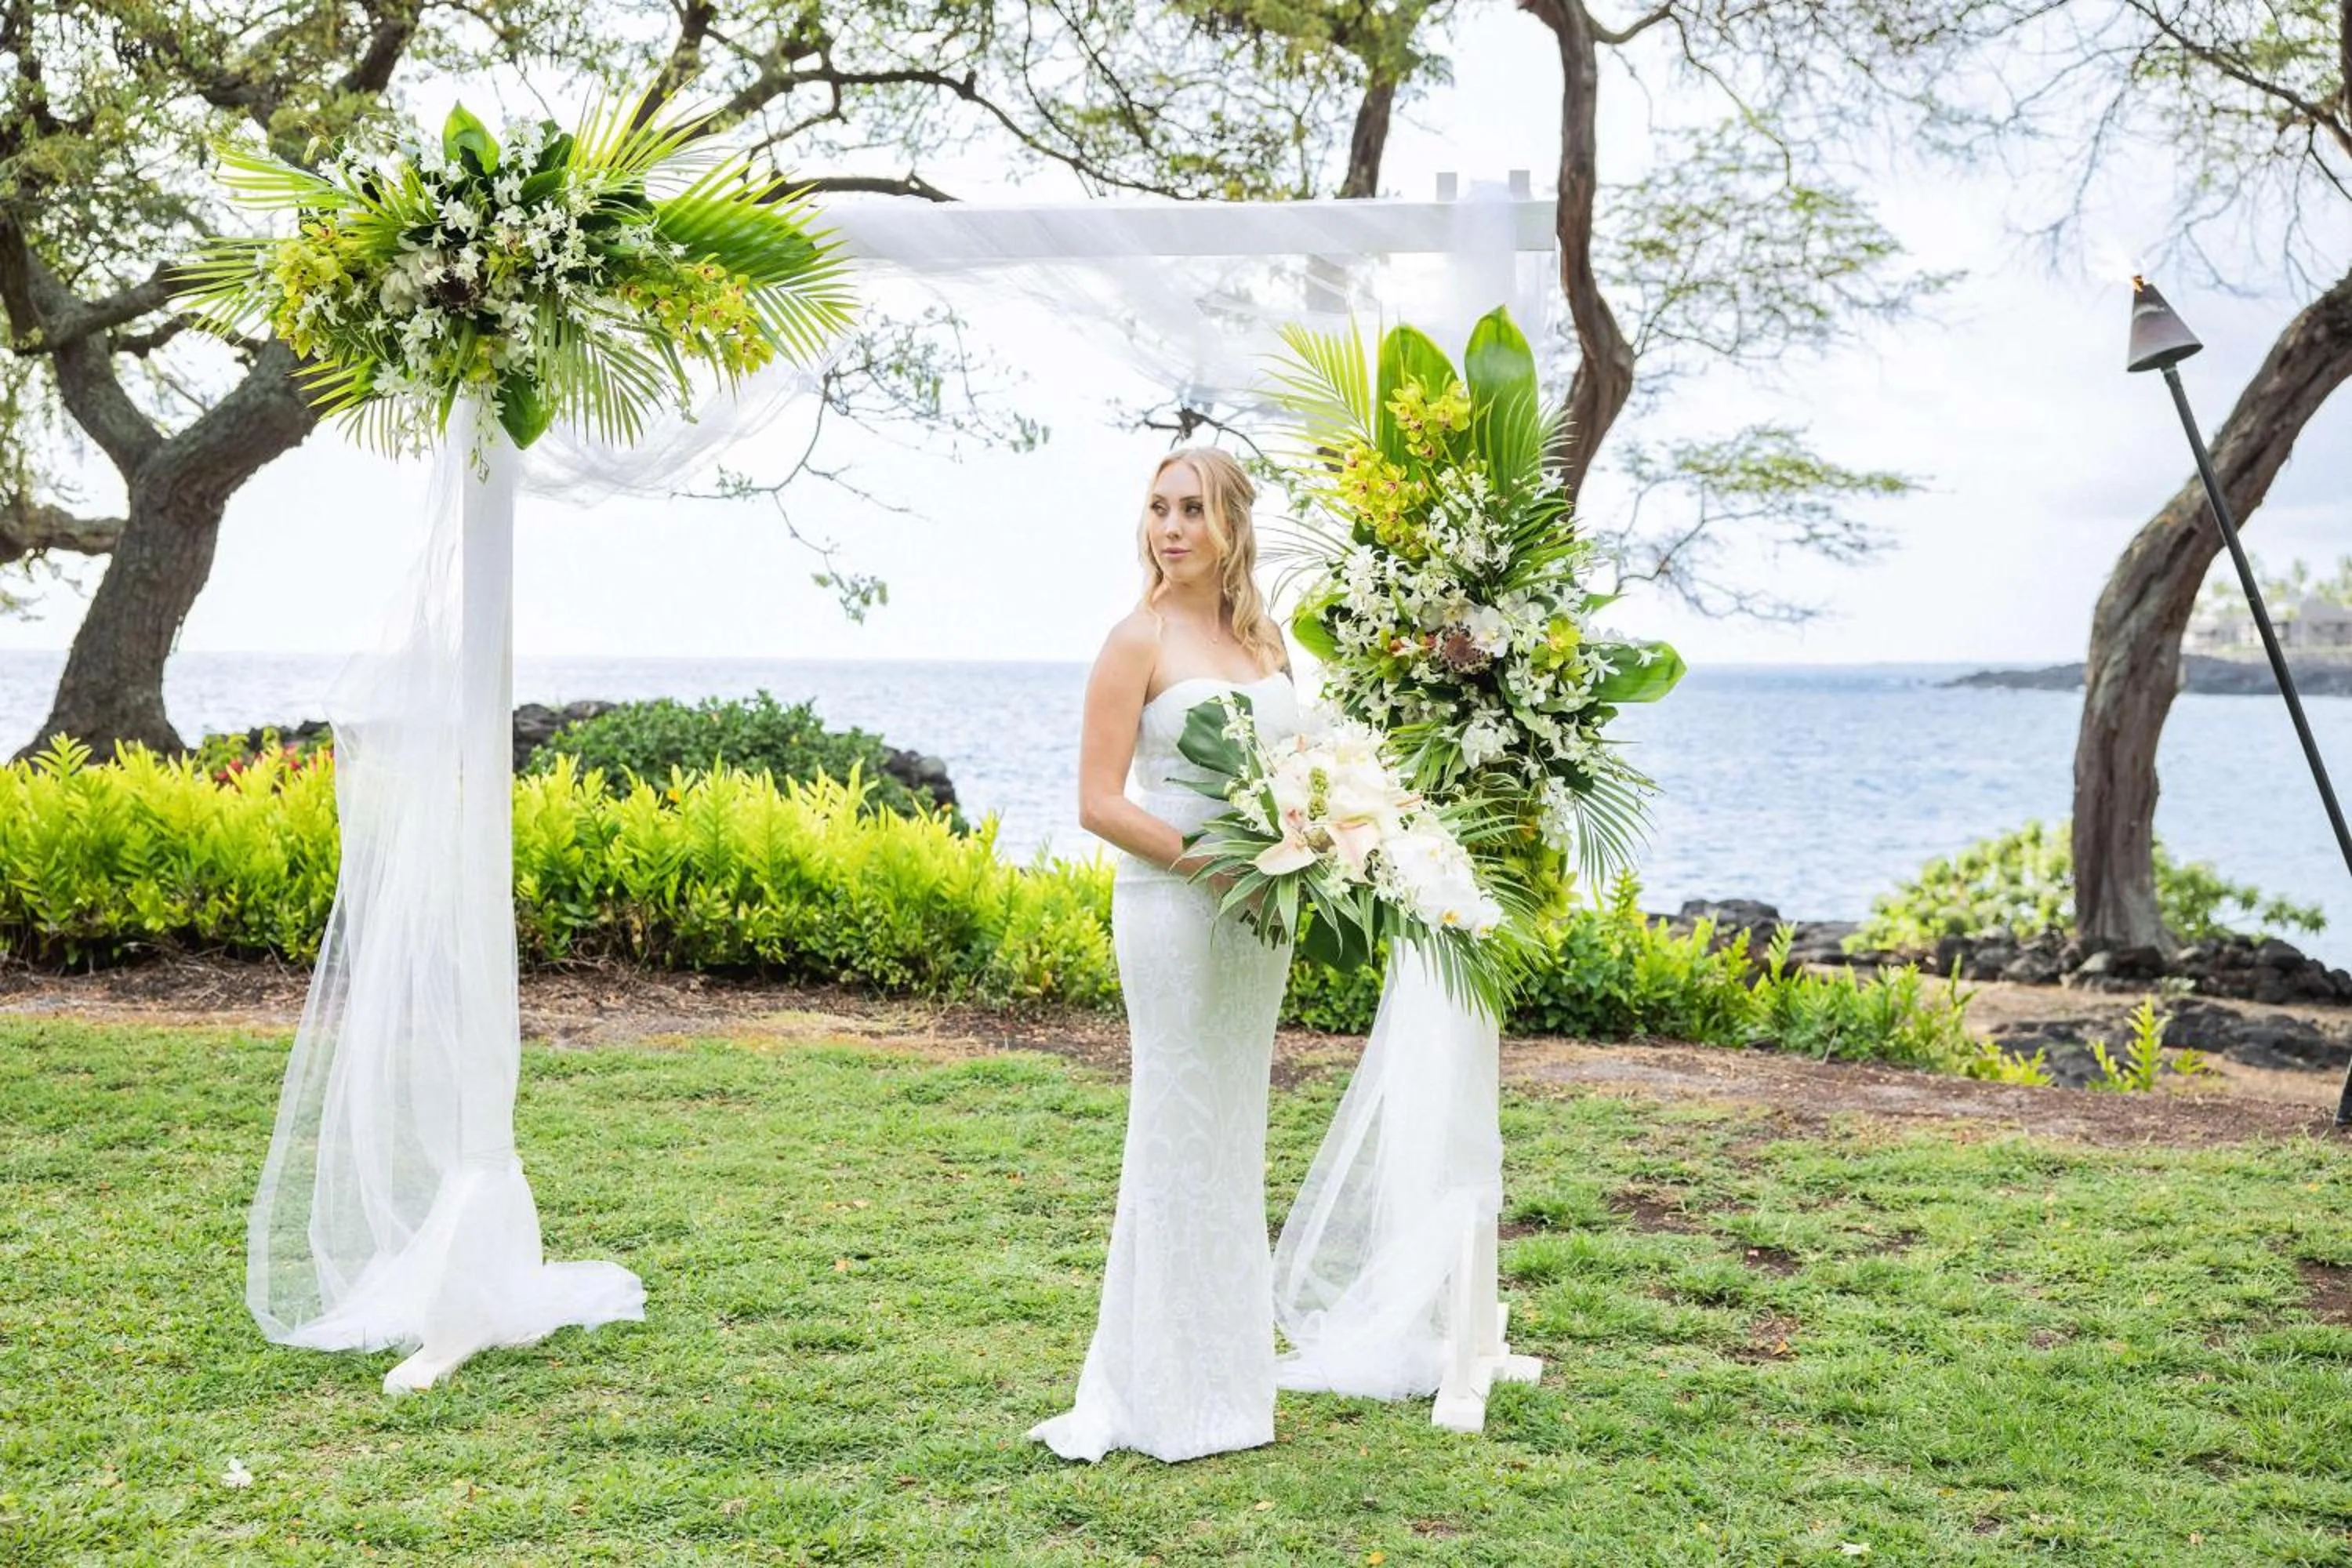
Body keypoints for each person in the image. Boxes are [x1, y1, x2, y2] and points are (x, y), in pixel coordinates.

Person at [1029, 446, 1300, 1463]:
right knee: (1174, 1126)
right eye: (1158, 508)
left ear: (1231, 524)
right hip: (1175, 911)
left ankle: (1228, 1381)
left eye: (1192, 509)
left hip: (1260, 915)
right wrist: (1212, 866)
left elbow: (1297, 773)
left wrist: (1312, 843)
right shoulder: (1133, 640)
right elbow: (1099, 802)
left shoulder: (1264, 639)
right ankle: (1157, 1389)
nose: (1171, 528)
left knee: (1233, 1130)